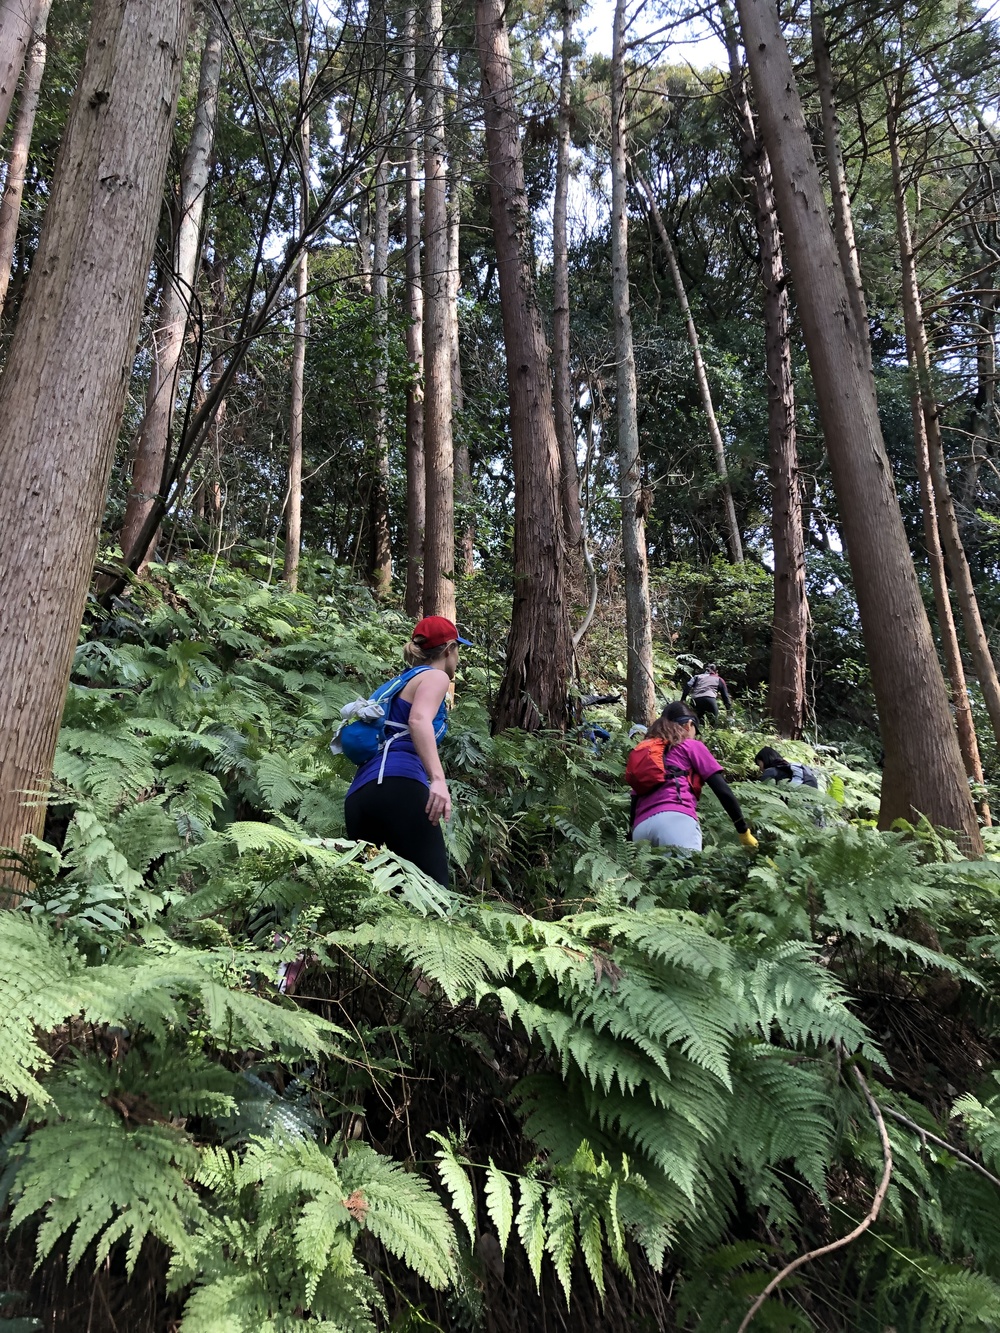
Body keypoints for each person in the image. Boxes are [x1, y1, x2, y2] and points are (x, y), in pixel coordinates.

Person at [344, 615, 470, 886]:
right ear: (448, 650)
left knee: (372, 898)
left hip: (360, 796)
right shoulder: (435, 677)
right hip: (400, 787)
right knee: (435, 894)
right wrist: (438, 780)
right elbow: (418, 720)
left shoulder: (399, 683)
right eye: (458, 650)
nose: (458, 658)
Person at [626, 701, 757, 852]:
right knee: (687, 874)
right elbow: (722, 790)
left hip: (641, 830)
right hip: (675, 822)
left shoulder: (648, 753)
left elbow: (635, 799)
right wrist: (743, 830)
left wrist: (631, 838)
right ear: (689, 725)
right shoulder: (690, 746)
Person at [754, 746, 819, 789]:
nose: (760, 768)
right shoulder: (785, 767)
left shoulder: (770, 772)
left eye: (759, 763)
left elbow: (761, 791)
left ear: (764, 760)